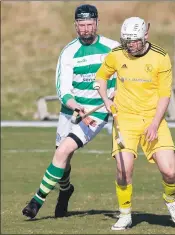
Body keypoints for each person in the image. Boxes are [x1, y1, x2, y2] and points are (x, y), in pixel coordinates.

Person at [22, 4, 119, 219]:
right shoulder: (69, 52)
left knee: (63, 150)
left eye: (89, 24)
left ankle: (36, 202)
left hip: (96, 112)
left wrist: (114, 97)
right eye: (81, 25)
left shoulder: (113, 49)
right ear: (75, 25)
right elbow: (62, 90)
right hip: (71, 111)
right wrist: (75, 105)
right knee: (63, 158)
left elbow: (124, 76)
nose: (85, 29)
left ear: (97, 23)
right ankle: (65, 191)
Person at [95, 17, 175, 230]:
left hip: (153, 119)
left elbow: (164, 95)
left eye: (134, 41)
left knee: (170, 172)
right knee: (123, 169)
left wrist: (154, 124)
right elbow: (101, 77)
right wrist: (106, 99)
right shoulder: (117, 54)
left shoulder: (161, 58)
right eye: (126, 41)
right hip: (125, 119)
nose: (130, 45)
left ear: (146, 35)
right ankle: (125, 214)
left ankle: (170, 199)